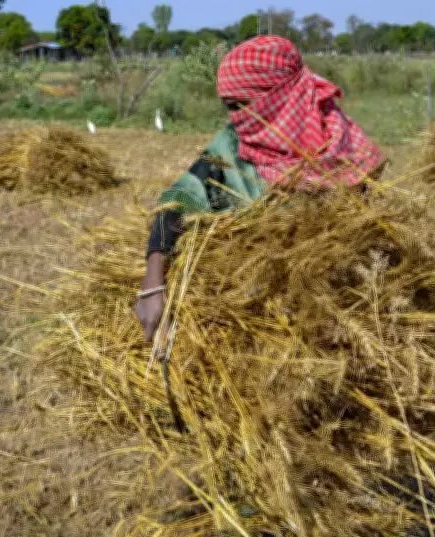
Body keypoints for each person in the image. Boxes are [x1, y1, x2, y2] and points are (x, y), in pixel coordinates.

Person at [135, 36, 385, 340]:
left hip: (328, 314)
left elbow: (367, 234)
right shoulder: (232, 144)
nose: (237, 117)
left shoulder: (344, 148)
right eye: (229, 107)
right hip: (249, 306)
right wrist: (153, 285)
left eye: (243, 105)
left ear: (282, 98)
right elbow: (176, 204)